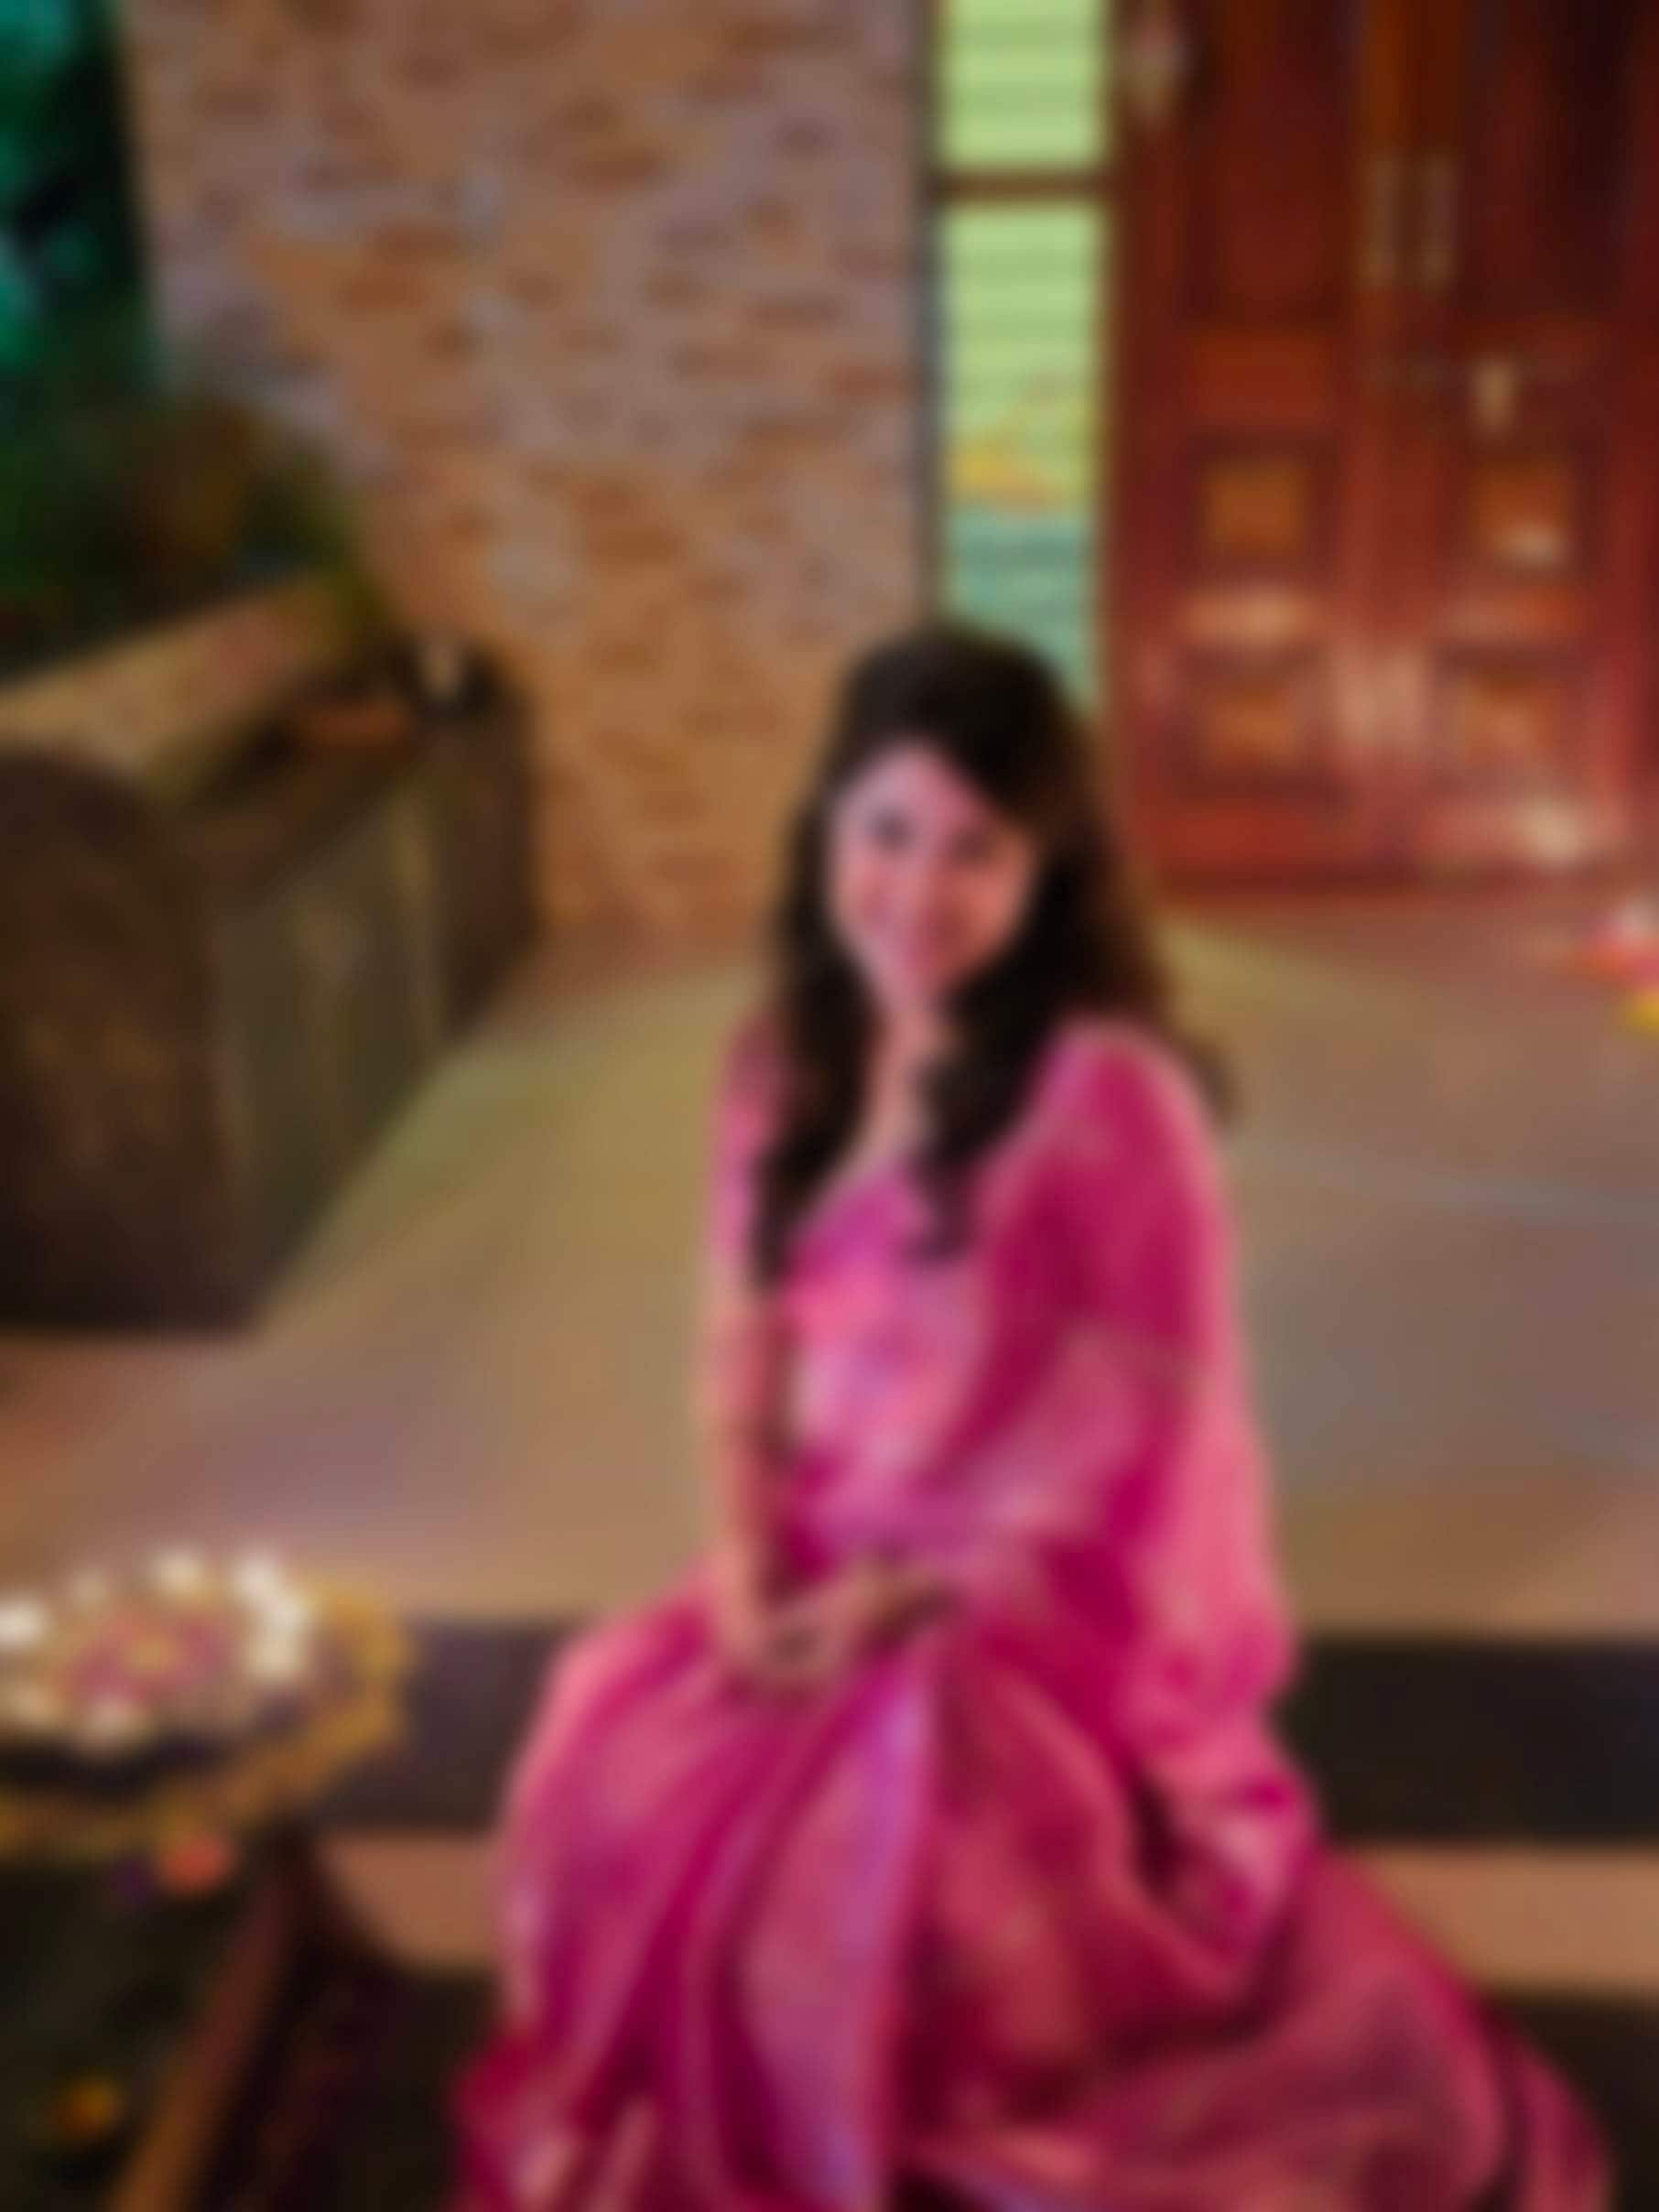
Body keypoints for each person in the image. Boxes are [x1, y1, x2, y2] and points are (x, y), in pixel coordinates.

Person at [450, 622, 1610, 2208]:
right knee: (609, 1796)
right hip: (811, 1558)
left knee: (857, 1905)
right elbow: (738, 1347)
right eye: (886, 830)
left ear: (1045, 873)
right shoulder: (779, 1065)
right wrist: (742, 1567)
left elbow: (1158, 1459)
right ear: (825, 825)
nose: (915, 892)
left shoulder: (1109, 1100)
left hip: (1013, 1614)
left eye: (974, 851)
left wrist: (911, 1600)